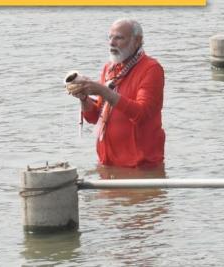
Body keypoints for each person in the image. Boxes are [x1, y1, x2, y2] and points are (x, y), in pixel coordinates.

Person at [66, 18, 165, 168]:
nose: (111, 43)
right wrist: (83, 97)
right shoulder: (109, 68)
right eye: (110, 37)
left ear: (137, 41)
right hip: (107, 164)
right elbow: (94, 117)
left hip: (141, 167)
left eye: (118, 37)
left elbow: (142, 114)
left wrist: (104, 91)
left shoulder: (151, 69)